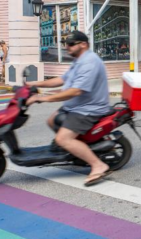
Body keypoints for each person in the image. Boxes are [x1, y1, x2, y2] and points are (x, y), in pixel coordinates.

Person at [26, 31, 112, 186]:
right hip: (76, 106)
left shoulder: (89, 62)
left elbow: (76, 91)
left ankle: (98, 165)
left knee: (62, 139)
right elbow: (61, 80)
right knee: (52, 120)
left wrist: (42, 99)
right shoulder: (79, 60)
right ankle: (75, 150)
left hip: (87, 109)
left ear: (83, 44)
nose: (67, 47)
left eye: (71, 44)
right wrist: (35, 84)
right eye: (66, 44)